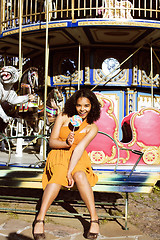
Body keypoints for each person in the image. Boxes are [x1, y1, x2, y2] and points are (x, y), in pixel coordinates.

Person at [33, 88, 101, 240]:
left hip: (78, 158)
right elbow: (52, 142)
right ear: (74, 105)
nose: (82, 109)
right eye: (79, 105)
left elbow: (80, 149)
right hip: (58, 155)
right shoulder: (64, 117)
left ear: (92, 107)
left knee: (80, 175)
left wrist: (70, 171)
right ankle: (40, 218)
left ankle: (94, 219)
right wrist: (65, 143)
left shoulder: (92, 127)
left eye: (86, 105)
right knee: (57, 176)